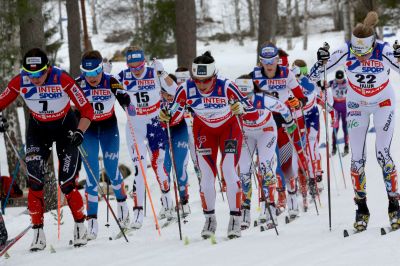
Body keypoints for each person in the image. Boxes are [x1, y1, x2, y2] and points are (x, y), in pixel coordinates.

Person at [309, 11, 400, 231]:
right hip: (356, 105)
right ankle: (361, 210)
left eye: (365, 53)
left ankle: (394, 206)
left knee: (382, 154)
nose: (360, 57)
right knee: (356, 159)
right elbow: (313, 77)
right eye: (356, 53)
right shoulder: (345, 50)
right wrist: (320, 61)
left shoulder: (383, 50)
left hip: (383, 104)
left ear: (373, 45)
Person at [0, 48, 94, 250]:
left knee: (67, 183)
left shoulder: (62, 78)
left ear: (47, 68)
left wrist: (80, 131)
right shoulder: (20, 81)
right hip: (38, 130)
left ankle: (80, 225)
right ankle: (38, 231)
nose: (34, 78)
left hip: (65, 128)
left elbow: (87, 109)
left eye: (39, 73)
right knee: (34, 181)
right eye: (29, 73)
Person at [160, 51, 259, 239]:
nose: (201, 85)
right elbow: (173, 116)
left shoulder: (227, 86)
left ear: (214, 76)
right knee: (206, 176)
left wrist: (242, 109)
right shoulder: (185, 89)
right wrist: (165, 116)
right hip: (204, 130)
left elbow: (253, 112)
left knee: (229, 170)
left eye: (206, 80)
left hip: (229, 128)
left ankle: (235, 218)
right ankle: (210, 219)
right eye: (197, 80)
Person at [250, 42, 317, 214]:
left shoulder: (286, 74)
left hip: (285, 121)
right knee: (269, 164)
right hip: (264, 123)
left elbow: (302, 98)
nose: (270, 64)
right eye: (266, 61)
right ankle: (279, 199)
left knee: (289, 160)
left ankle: (297, 194)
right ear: (261, 62)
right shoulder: (255, 75)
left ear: (278, 60)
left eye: (273, 60)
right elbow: (244, 94)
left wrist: (297, 102)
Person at [116, 46, 177, 229]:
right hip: (135, 126)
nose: (136, 71)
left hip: (155, 123)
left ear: (144, 62)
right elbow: (107, 89)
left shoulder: (154, 73)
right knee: (139, 168)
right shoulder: (123, 76)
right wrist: (106, 75)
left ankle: (168, 205)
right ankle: (138, 213)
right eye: (132, 67)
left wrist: (163, 72)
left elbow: (175, 91)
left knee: (159, 165)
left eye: (139, 67)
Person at [75, 50, 131, 240]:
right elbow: (65, 103)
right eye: (87, 73)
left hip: (108, 128)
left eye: (95, 72)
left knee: (111, 169)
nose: (91, 77)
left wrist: (124, 100)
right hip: (88, 130)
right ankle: (92, 222)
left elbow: (123, 95)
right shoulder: (78, 83)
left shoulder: (110, 80)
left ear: (101, 69)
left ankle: (123, 208)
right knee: (90, 175)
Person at [235, 74, 295, 228]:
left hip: (266, 131)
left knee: (265, 166)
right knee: (244, 171)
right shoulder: (232, 100)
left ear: (252, 91)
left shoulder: (263, 99)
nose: (245, 100)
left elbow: (283, 108)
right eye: (240, 96)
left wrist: (289, 122)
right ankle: (245, 209)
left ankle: (271, 207)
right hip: (247, 133)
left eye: (247, 95)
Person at [162, 70, 191, 217]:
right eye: (164, 94)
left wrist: (169, 115)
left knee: (179, 167)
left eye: (170, 94)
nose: (168, 97)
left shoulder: (180, 99)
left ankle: (184, 201)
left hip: (179, 131)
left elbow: (178, 113)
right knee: (164, 168)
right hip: (162, 134)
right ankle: (166, 203)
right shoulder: (158, 100)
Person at [329, 70, 349, 155]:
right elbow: (323, 86)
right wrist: (321, 84)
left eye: (340, 79)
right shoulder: (332, 82)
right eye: (337, 79)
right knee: (335, 127)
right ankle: (334, 147)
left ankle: (346, 146)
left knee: (345, 127)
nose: (339, 81)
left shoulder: (348, 83)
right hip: (336, 107)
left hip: (345, 106)